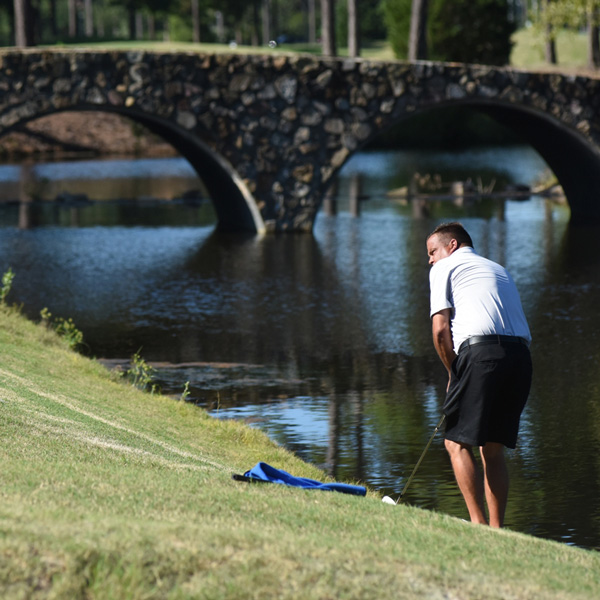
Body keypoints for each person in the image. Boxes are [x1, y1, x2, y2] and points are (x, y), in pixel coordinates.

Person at [426, 222, 532, 528]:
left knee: (455, 443)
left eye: (433, 251)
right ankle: (498, 531)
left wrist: (453, 373)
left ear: (453, 245)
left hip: (481, 355)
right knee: (493, 448)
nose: (430, 260)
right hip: (521, 357)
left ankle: (477, 526)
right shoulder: (498, 268)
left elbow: (440, 329)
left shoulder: (444, 268)